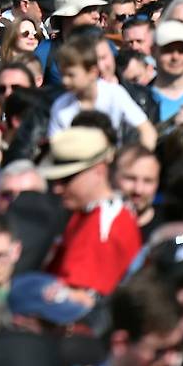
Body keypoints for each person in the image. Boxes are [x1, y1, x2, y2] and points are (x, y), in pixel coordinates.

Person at [42, 126, 141, 302]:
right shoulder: (88, 213)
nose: (57, 188)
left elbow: (82, 301)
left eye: (66, 179)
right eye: (55, 180)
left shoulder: (102, 226)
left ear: (99, 171)